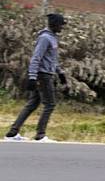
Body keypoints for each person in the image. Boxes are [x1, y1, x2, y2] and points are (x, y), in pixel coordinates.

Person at [5, 13, 68, 142]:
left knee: (32, 104)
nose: (62, 27)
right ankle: (40, 135)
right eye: (61, 25)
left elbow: (51, 59)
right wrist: (32, 77)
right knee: (50, 104)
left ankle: (12, 133)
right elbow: (36, 58)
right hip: (43, 75)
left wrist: (60, 73)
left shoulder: (53, 38)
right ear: (54, 24)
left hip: (47, 74)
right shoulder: (45, 38)